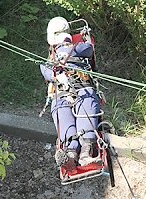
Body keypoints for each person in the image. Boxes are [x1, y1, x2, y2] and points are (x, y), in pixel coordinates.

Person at [40, 17, 102, 169]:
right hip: (73, 91)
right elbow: (89, 48)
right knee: (80, 107)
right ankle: (76, 153)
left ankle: (76, 152)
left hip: (72, 91)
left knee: (68, 111)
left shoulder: (50, 61)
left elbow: (48, 73)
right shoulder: (80, 49)